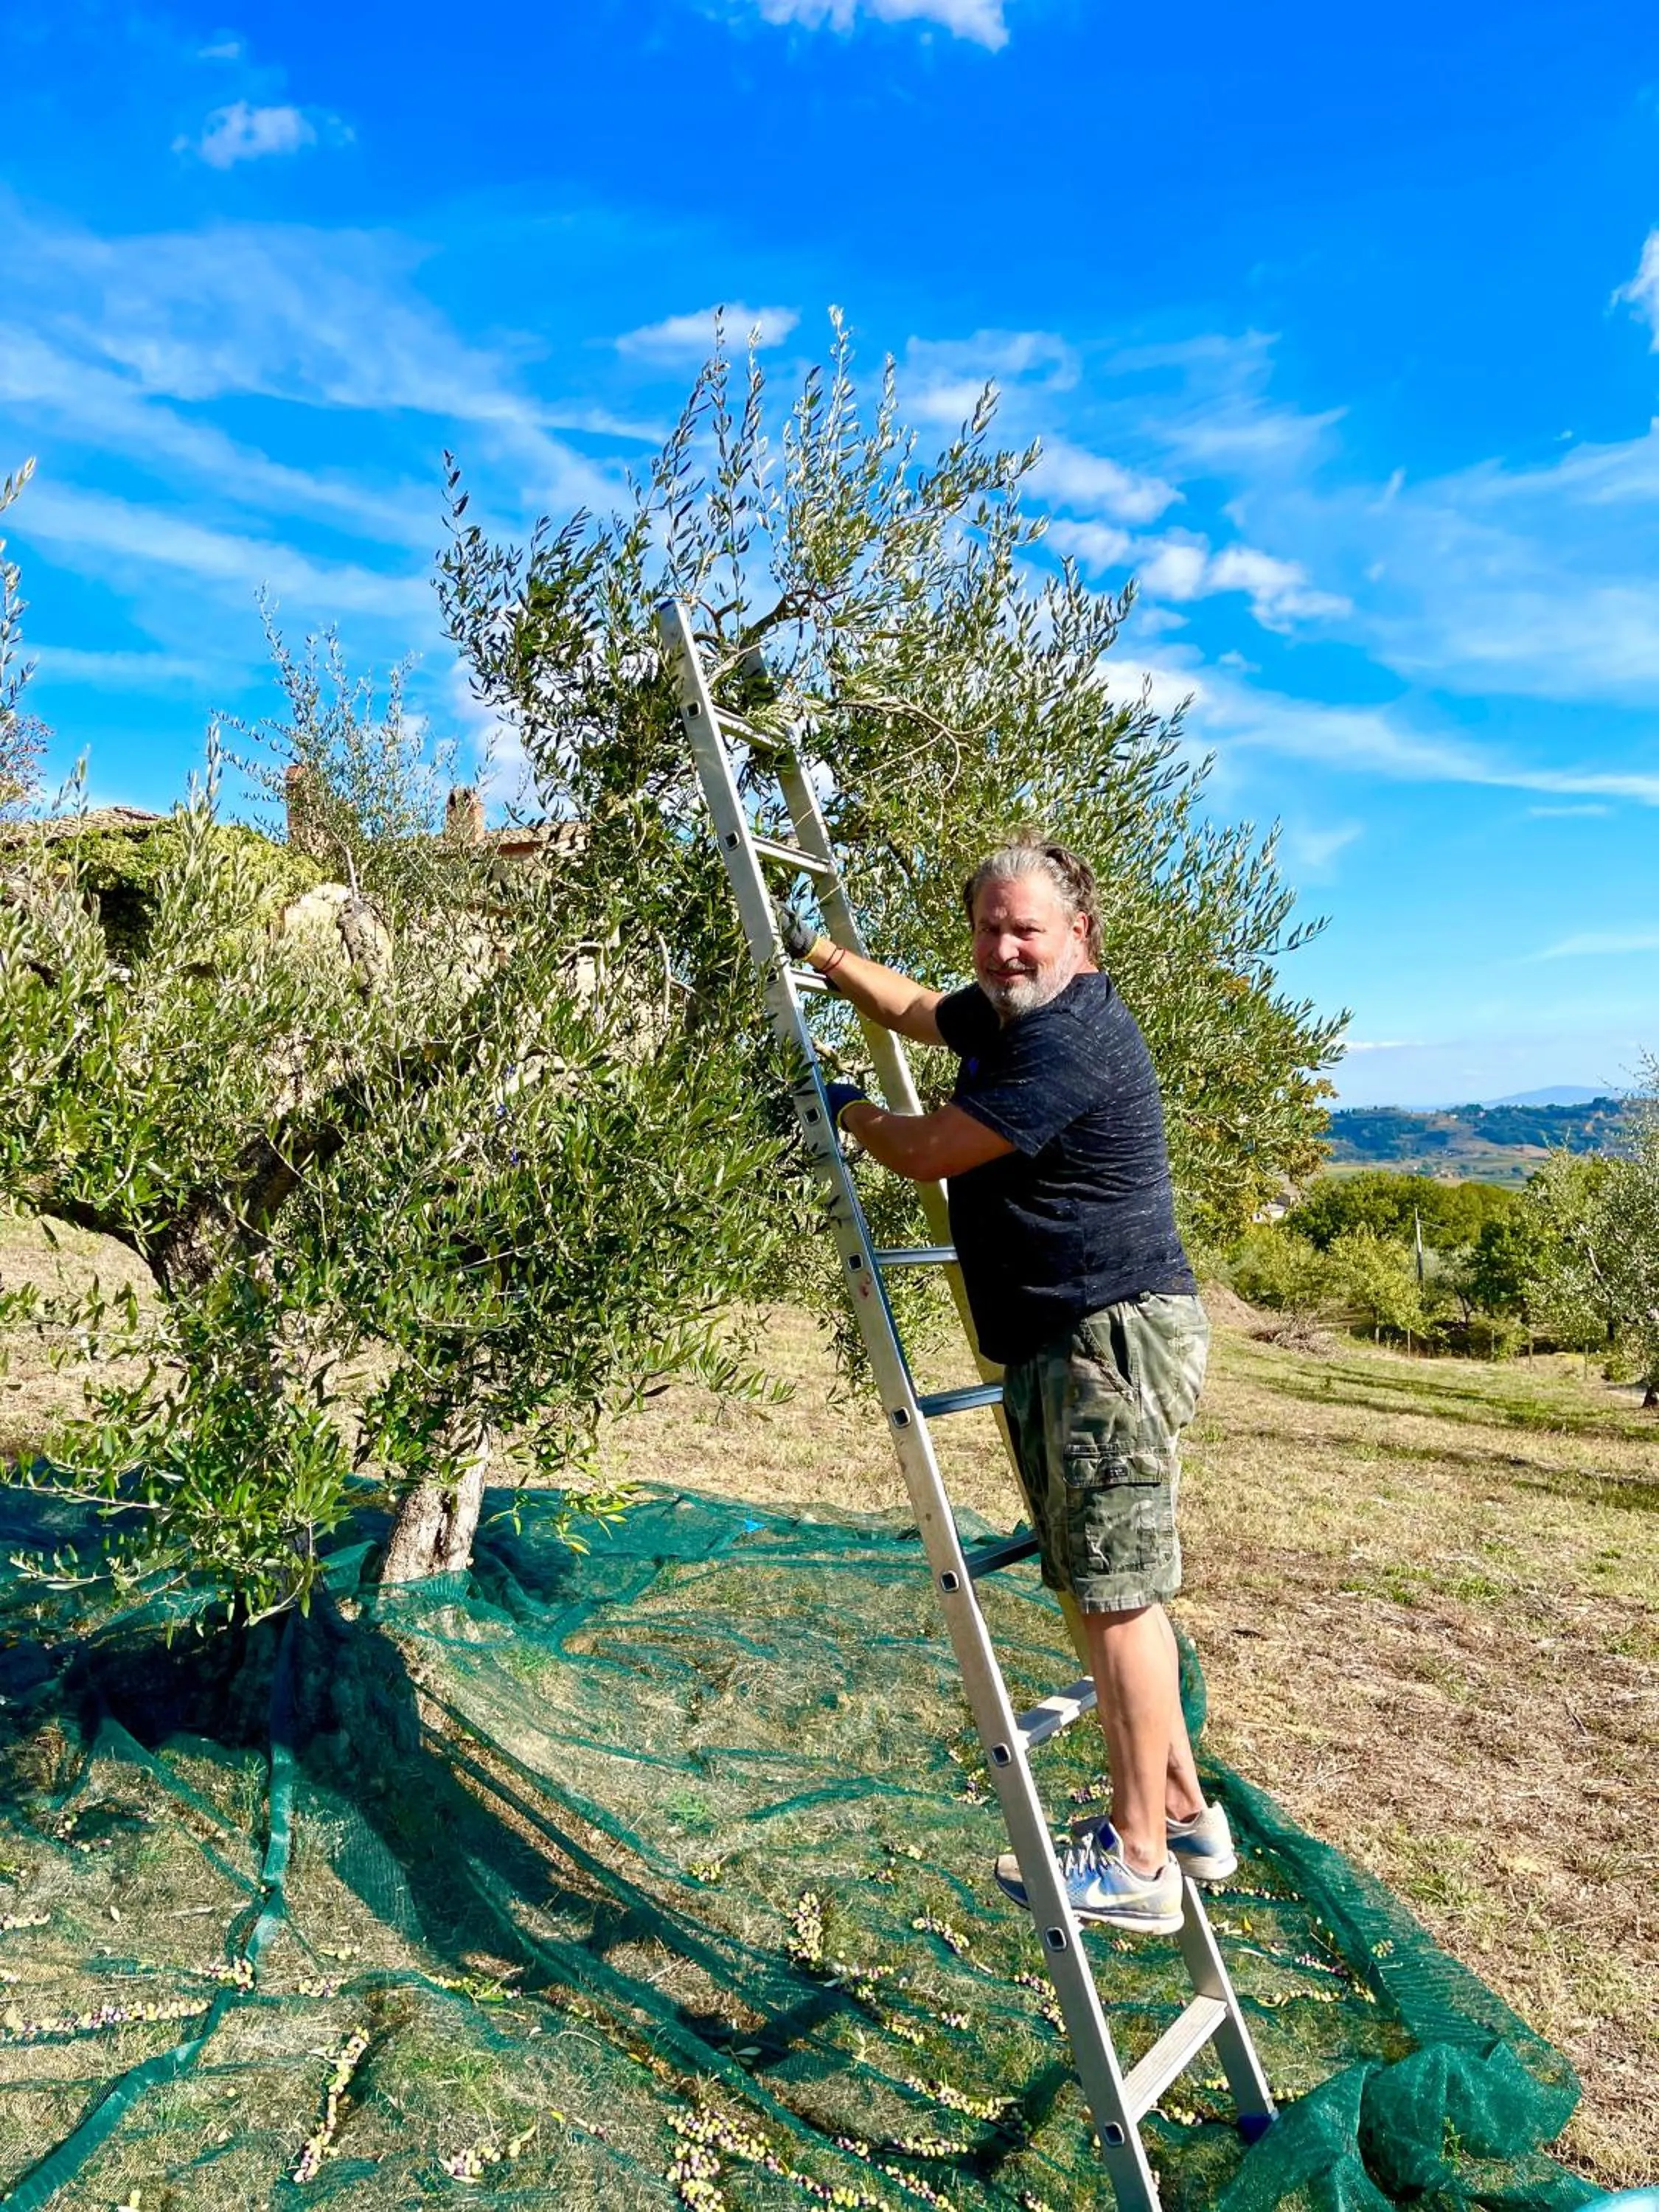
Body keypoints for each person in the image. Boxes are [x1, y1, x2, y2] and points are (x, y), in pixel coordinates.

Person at [779, 830, 1234, 1936]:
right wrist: (821, 958)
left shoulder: (1069, 1040)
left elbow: (929, 1150)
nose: (1002, 948)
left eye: (1025, 927)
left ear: (1079, 930)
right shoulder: (1007, 1009)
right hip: (1061, 1339)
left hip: (1103, 1340)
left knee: (1117, 1599)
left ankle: (1134, 1863)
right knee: (1099, 1588)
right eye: (988, 928)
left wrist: (836, 1105)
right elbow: (917, 1013)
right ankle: (1180, 1811)